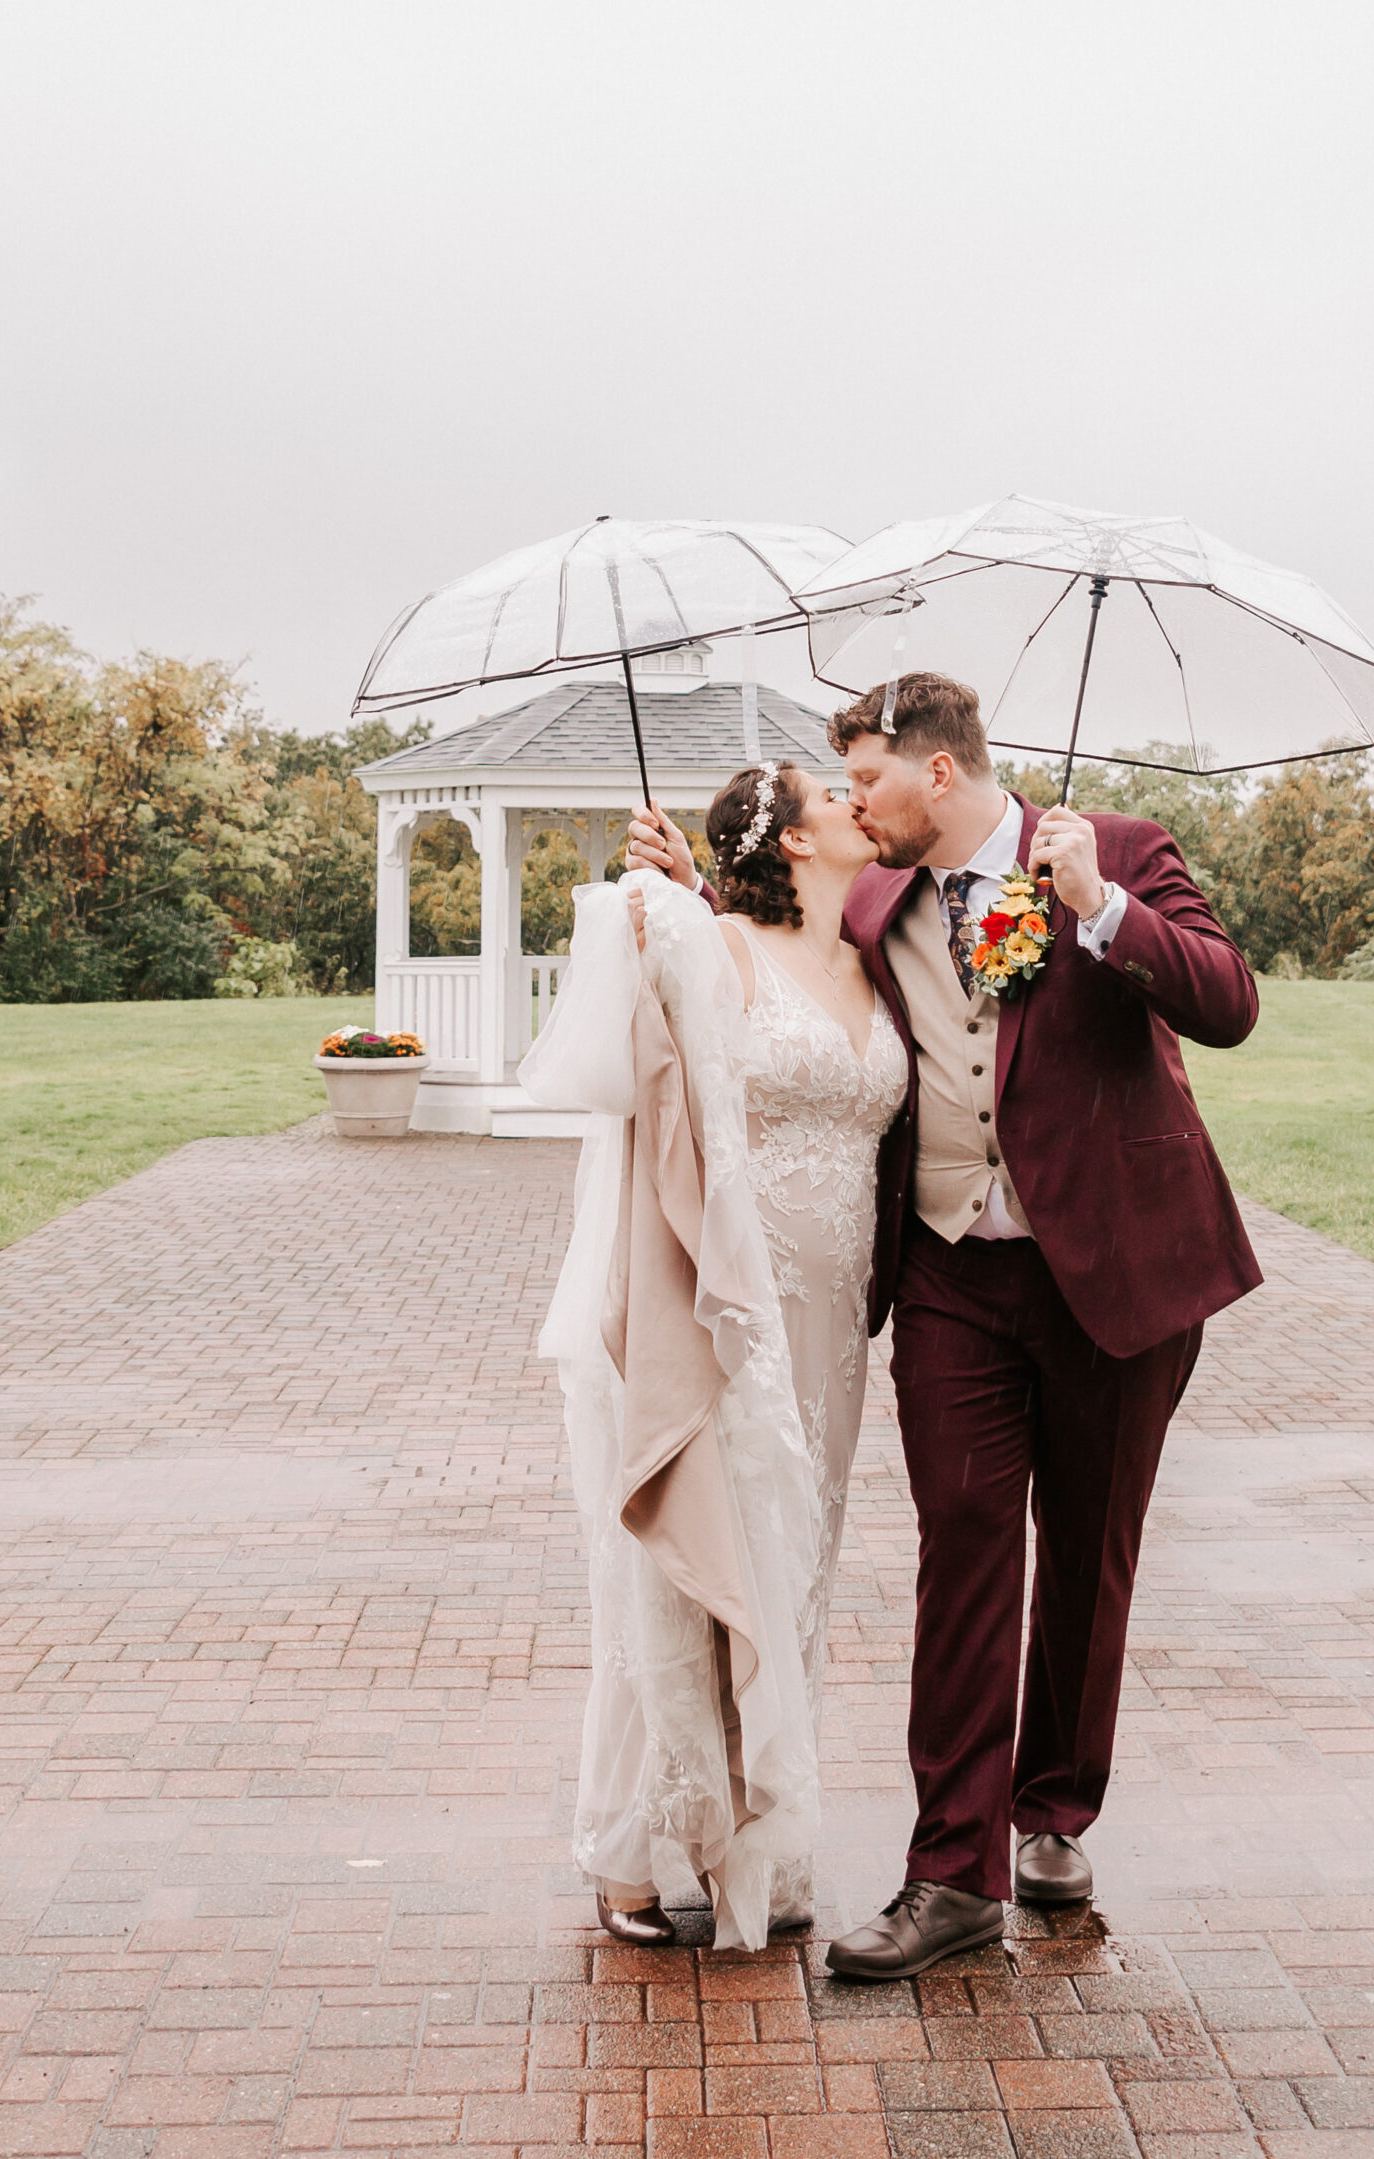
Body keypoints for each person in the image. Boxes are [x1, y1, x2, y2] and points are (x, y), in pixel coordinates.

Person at [628, 672, 1261, 1979]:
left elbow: (1228, 1000)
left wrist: (1100, 908)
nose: (855, 804)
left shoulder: (1120, 850)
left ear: (938, 768)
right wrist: (691, 895)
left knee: (1088, 1554)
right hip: (952, 1273)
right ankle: (949, 1869)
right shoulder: (877, 899)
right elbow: (784, 971)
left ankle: (1054, 1814)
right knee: (964, 1551)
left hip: (1116, 1269)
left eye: (866, 777)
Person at [535, 761, 904, 1949]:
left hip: (835, 1321)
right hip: (723, 1306)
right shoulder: (714, 948)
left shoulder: (869, 956)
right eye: (833, 795)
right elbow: (650, 1083)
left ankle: (764, 1833)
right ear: (792, 839)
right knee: (684, 1557)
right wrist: (660, 908)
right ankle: (632, 1845)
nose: (859, 802)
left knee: (795, 1557)